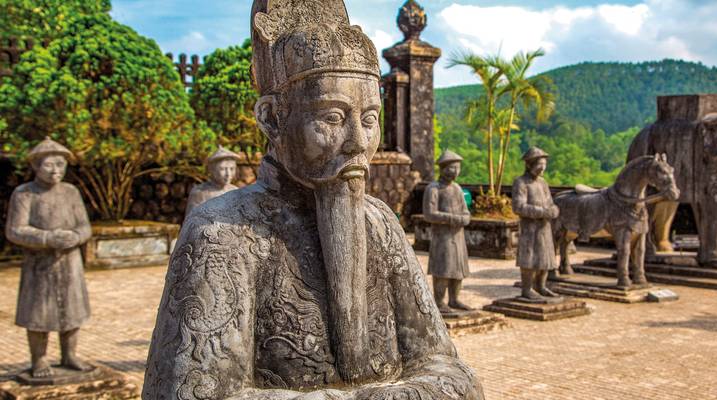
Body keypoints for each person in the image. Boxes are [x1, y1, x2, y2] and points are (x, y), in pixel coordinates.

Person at [141, 1, 484, 399]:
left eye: (370, 119)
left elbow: (447, 366)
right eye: (333, 118)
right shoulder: (223, 234)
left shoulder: (380, 223)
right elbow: (193, 391)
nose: (359, 143)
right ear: (272, 118)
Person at [5, 137, 92, 378]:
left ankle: (69, 354)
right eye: (50, 165)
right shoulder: (24, 194)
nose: (56, 170)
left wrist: (74, 237)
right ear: (35, 166)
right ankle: (39, 359)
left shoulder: (71, 192)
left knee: (72, 311)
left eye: (61, 165)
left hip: (70, 260)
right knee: (38, 314)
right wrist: (47, 238)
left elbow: (85, 227)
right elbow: (15, 230)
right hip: (39, 264)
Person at [423, 150, 472, 313]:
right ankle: (439, 301)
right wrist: (452, 218)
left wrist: (464, 218)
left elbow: (465, 211)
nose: (455, 171)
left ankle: (454, 299)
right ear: (443, 169)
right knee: (443, 269)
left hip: (457, 236)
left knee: (457, 270)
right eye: (452, 168)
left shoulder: (457, 189)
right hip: (442, 237)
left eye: (457, 168)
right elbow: (429, 214)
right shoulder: (433, 189)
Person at [512, 146, 560, 302]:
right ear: (529, 165)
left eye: (544, 165)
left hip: (544, 227)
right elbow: (518, 206)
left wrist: (553, 210)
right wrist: (540, 212)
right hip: (530, 228)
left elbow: (550, 202)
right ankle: (527, 289)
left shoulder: (543, 183)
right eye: (539, 165)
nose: (542, 168)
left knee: (544, 258)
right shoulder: (521, 183)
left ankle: (541, 285)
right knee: (530, 258)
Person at [185, 146, 240, 216]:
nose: (228, 174)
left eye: (232, 169)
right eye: (222, 169)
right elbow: (191, 222)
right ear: (212, 170)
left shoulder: (236, 191)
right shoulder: (200, 193)